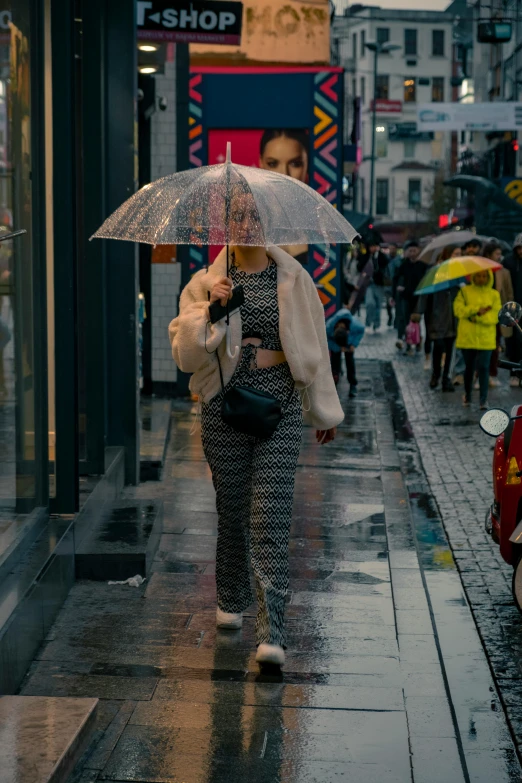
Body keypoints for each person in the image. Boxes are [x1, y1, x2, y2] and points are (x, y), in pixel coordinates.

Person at [168, 190, 344, 670]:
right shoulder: (207, 282)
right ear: (226, 223)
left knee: (270, 516)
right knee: (233, 511)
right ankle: (231, 596)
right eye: (239, 215)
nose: (247, 223)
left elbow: (315, 343)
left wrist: (323, 411)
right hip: (224, 406)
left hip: (281, 405)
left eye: (255, 215)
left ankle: (273, 634)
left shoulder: (294, 277)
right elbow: (184, 356)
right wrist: (211, 310)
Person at [412, 246, 459, 392]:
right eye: (455, 253)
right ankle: (436, 374)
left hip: (454, 317)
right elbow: (425, 293)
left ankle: (446, 378)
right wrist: (418, 312)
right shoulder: (435, 272)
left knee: (450, 350)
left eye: (459, 254)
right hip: (437, 316)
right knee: (438, 347)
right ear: (448, 254)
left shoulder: (459, 273)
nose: (458, 256)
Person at [259, 129, 309, 265]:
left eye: (295, 164)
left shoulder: (321, 226)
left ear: (307, 165)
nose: (284, 174)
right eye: (273, 164)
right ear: (261, 164)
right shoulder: (246, 224)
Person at [453, 269, 501, 409]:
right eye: (478, 276)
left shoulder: (494, 294)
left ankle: (483, 399)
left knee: (484, 368)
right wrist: (476, 310)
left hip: (486, 338)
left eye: (484, 276)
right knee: (469, 367)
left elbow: (496, 315)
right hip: (468, 337)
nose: (481, 279)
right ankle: (467, 394)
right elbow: (458, 310)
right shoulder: (464, 292)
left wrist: (478, 318)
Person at [482, 242, 513, 389]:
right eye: (496, 254)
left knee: (495, 345)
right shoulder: (481, 271)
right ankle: (480, 375)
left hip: (497, 314)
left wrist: (509, 313)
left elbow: (508, 294)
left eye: (500, 254)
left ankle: (492, 374)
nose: (499, 257)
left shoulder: (503, 272)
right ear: (488, 255)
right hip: (482, 314)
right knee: (481, 346)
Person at [393, 240, 427, 353]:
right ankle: (408, 342)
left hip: (418, 297)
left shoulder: (423, 266)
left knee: (416, 320)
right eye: (410, 251)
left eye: (414, 250)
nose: (412, 253)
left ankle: (417, 340)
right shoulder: (403, 265)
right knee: (406, 320)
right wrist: (397, 291)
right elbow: (396, 280)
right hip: (405, 297)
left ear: (418, 251)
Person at [326, 308, 365, 396]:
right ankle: (333, 383)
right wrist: (339, 347)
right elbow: (326, 339)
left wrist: (353, 345)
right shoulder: (329, 326)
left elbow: (361, 331)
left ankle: (352, 384)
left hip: (349, 341)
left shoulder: (355, 325)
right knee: (334, 362)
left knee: (350, 362)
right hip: (335, 342)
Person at [501, 233, 522, 387]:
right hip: (512, 308)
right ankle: (514, 373)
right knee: (512, 342)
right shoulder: (508, 262)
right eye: (519, 248)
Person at [365, 241, 389, 332]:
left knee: (378, 305)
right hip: (369, 284)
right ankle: (368, 322)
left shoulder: (381, 257)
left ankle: (376, 324)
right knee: (370, 304)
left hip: (379, 284)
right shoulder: (367, 256)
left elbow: (384, 264)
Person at [384, 243, 400, 327]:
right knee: (388, 303)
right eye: (390, 248)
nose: (392, 250)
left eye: (393, 248)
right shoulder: (385, 259)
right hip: (388, 284)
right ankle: (390, 316)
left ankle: (396, 320)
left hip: (396, 284)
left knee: (397, 303)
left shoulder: (399, 259)